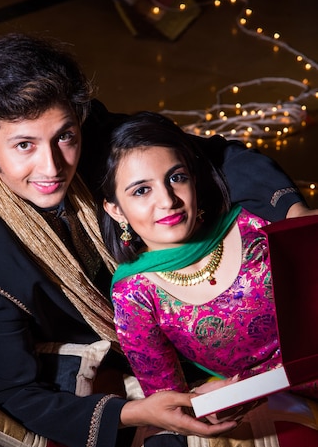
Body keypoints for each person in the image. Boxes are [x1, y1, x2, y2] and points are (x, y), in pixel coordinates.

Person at [0, 33, 315, 447]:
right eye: (24, 145)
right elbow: (12, 389)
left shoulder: (91, 131)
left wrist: (294, 212)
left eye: (64, 137)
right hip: (118, 339)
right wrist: (136, 412)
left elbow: (211, 158)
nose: (52, 167)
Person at [99, 111, 317, 415]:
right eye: (141, 190)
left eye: (176, 178)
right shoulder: (134, 293)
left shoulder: (251, 222)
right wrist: (202, 399)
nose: (167, 200)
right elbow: (169, 402)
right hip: (276, 404)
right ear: (116, 210)